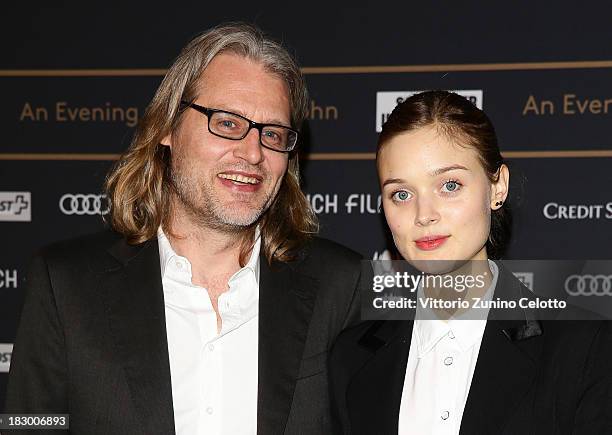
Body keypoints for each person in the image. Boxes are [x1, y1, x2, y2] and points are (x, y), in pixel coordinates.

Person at [5, 23, 363, 435]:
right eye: (227, 123)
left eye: (273, 133)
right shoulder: (65, 283)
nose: (252, 153)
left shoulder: (343, 284)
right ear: (166, 128)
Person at [329, 91, 612, 434]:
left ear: (498, 187)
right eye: (401, 194)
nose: (424, 215)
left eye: (449, 185)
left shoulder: (583, 348)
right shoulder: (350, 358)